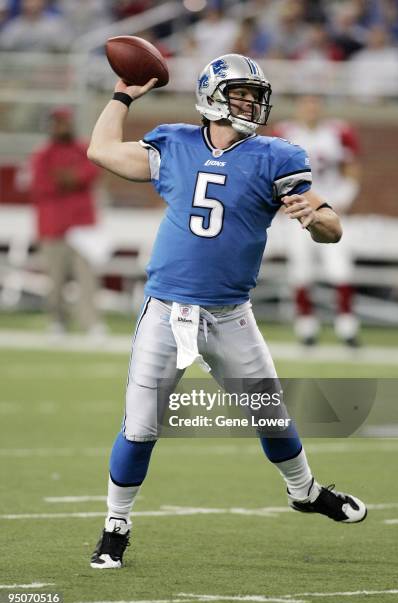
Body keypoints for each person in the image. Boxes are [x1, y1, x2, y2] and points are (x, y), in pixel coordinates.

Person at [87, 54, 367, 569]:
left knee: (271, 415)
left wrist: (316, 217)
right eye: (241, 94)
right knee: (141, 426)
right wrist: (122, 95)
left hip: (231, 312)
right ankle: (115, 526)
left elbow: (332, 226)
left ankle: (304, 491)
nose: (251, 103)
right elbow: (101, 149)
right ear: (213, 95)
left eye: (255, 95)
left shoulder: (276, 155)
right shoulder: (174, 142)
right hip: (168, 308)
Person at [273, 95, 362, 346]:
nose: (311, 109)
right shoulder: (285, 132)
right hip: (298, 211)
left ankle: (347, 327)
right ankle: (306, 327)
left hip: (330, 209)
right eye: (306, 104)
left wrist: (345, 198)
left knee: (341, 268)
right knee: (300, 270)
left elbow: (352, 167)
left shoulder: (337, 131)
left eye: (315, 104)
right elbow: (272, 172)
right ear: (299, 108)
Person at [31, 107, 103, 336]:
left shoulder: (83, 150)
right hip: (53, 227)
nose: (61, 127)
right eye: (57, 123)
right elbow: (42, 186)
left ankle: (91, 323)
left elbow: (91, 174)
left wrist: (65, 177)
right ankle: (58, 322)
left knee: (87, 279)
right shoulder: (42, 155)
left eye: (64, 122)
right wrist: (69, 178)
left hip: (83, 227)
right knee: (55, 280)